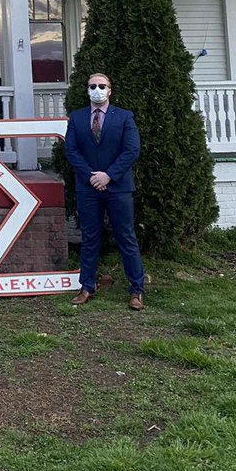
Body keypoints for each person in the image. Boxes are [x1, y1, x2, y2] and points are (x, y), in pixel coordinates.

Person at [63, 72, 145, 311]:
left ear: (110, 90)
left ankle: (136, 290)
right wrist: (92, 176)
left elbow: (131, 150)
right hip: (88, 188)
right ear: (87, 90)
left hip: (118, 188)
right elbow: (72, 151)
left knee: (126, 238)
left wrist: (109, 175)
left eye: (101, 85)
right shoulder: (77, 119)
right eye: (92, 86)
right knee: (89, 238)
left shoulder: (124, 117)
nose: (96, 89)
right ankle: (87, 286)